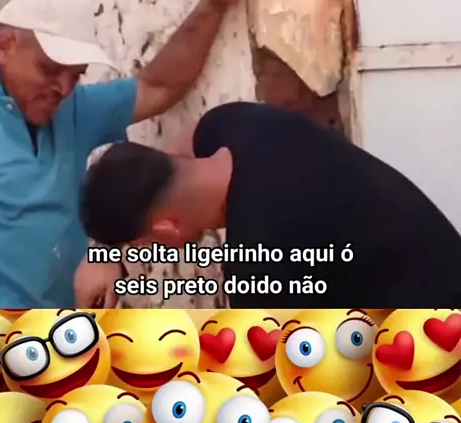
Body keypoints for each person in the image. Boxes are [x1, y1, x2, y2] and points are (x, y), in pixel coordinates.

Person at [0, 0, 258, 310]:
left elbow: (158, 86)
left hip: (59, 329)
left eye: (75, 75)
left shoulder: (74, 109)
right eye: (50, 69)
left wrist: (213, 4)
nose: (63, 88)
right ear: (6, 46)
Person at [81, 101, 461, 308]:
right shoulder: (233, 124)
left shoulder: (259, 264)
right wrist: (105, 253)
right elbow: (157, 168)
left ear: (168, 227)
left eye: (143, 245)